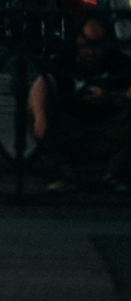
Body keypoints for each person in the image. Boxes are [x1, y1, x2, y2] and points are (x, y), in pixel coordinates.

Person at [30, 18, 131, 180]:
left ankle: (113, 173)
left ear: (105, 44)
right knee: (37, 109)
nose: (91, 52)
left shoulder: (118, 61)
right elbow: (41, 83)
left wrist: (109, 98)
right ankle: (65, 171)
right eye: (87, 45)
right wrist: (40, 117)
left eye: (97, 46)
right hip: (73, 130)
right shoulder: (65, 59)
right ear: (77, 42)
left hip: (109, 132)